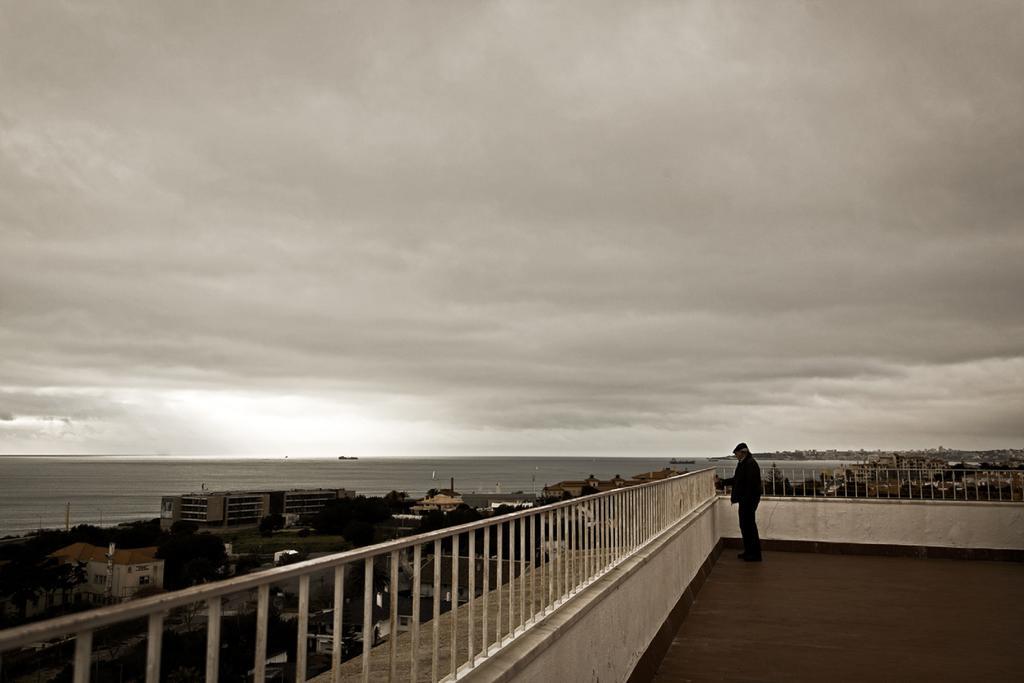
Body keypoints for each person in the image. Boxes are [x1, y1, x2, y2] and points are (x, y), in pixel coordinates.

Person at [719, 442, 762, 561]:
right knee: (745, 525)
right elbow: (737, 480)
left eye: (736, 453)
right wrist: (722, 482)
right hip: (746, 500)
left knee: (749, 526)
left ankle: (754, 554)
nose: (736, 456)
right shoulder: (744, 463)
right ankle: (749, 551)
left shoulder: (750, 464)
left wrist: (744, 498)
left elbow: (749, 484)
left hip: (748, 500)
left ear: (743, 452)